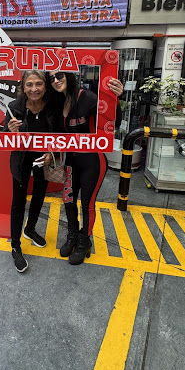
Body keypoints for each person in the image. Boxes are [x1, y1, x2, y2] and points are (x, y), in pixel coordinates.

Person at [50, 71, 123, 265]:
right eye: (51, 78)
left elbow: (114, 122)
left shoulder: (88, 97)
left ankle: (84, 242)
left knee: (87, 205)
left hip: (93, 161)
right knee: (68, 200)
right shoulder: (58, 101)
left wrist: (116, 99)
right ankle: (72, 235)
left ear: (69, 75)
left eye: (59, 75)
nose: (55, 80)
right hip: (70, 161)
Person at [3, 70, 56, 273]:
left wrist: (51, 152)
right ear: (23, 87)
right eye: (29, 84)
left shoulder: (52, 106)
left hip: (43, 159)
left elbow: (58, 134)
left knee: (39, 195)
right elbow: (2, 138)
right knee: (18, 202)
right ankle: (15, 246)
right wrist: (10, 131)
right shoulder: (14, 107)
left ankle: (30, 229)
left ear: (45, 86)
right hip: (21, 160)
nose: (34, 89)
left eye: (38, 84)